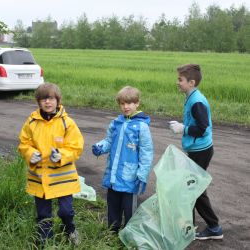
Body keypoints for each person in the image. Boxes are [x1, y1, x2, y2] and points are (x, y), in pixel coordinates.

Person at [18, 83, 84, 247]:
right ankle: (45, 241)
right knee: (43, 214)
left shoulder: (67, 123)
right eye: (43, 99)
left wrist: (61, 155)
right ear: (38, 102)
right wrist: (30, 154)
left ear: (58, 100)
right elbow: (24, 143)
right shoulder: (31, 122)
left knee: (66, 212)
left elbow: (76, 147)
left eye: (51, 98)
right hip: (39, 177)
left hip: (63, 178)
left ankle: (70, 229)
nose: (47, 102)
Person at [169, 64, 223, 240]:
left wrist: (183, 128)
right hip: (197, 149)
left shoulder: (196, 101)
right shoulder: (191, 96)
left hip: (201, 151)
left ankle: (213, 227)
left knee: (194, 189)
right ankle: (190, 226)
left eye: (180, 80)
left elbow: (202, 128)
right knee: (192, 187)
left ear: (191, 82)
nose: (178, 82)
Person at [92, 86, 154, 233]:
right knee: (113, 205)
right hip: (113, 176)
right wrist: (100, 147)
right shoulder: (115, 123)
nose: (126, 107)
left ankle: (129, 235)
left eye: (130, 103)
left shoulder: (142, 127)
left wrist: (142, 174)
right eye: (122, 103)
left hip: (130, 177)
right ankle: (112, 232)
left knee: (129, 210)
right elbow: (109, 141)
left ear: (137, 103)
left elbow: (147, 152)